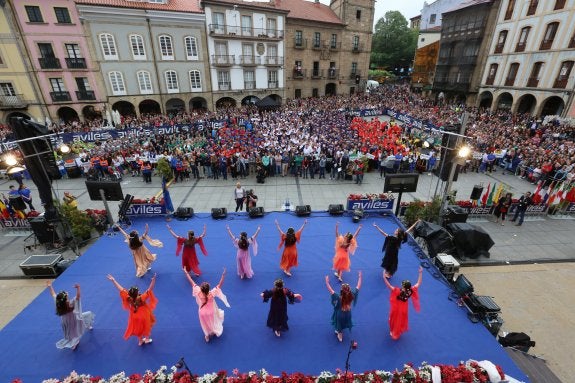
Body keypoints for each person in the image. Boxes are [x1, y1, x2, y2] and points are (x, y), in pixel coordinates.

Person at [107, 273, 157, 346]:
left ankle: (140, 341)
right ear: (137, 293)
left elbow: (120, 289)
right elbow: (150, 289)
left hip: (134, 315)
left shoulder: (128, 298)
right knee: (146, 326)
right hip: (144, 314)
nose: (139, 291)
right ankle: (146, 339)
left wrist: (113, 280)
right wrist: (153, 281)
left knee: (138, 328)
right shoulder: (141, 298)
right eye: (138, 291)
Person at [183, 267, 229, 342]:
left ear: (201, 288)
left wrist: (186, 272)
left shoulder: (198, 291)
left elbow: (191, 280)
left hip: (202, 312)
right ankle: (214, 330)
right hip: (211, 312)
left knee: (204, 324)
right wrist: (223, 275)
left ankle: (207, 335)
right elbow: (220, 284)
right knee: (212, 321)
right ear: (208, 289)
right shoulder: (212, 293)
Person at [46, 281, 94, 350]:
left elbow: (53, 294)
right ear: (66, 299)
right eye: (67, 295)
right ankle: (76, 341)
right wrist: (78, 288)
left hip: (66, 322)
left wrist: (50, 286)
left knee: (72, 333)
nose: (67, 294)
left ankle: (74, 343)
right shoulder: (71, 304)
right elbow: (78, 297)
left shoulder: (58, 304)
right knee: (87, 314)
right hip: (75, 319)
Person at [383, 267, 422, 340]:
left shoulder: (398, 291)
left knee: (394, 319)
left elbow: (389, 286)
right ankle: (396, 331)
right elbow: (418, 283)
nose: (401, 285)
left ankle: (394, 333)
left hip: (397, 307)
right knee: (400, 320)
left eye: (402, 285)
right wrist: (420, 273)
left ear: (404, 287)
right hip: (404, 308)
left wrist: (384, 278)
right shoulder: (411, 290)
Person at [325, 271, 362, 342]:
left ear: (341, 291)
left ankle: (340, 335)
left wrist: (327, 282)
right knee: (344, 322)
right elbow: (358, 286)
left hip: (340, 314)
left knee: (339, 324)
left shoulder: (338, 297)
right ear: (349, 290)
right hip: (348, 313)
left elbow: (330, 290)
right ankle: (340, 332)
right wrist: (360, 277)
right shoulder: (352, 295)